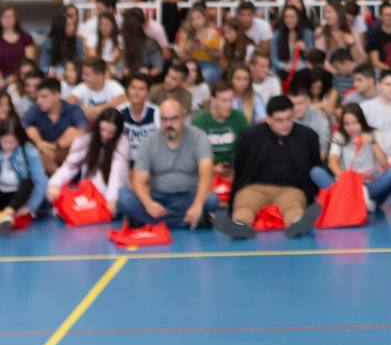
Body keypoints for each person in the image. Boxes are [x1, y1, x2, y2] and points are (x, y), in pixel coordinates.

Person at [211, 95, 324, 239]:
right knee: (244, 205)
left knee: (294, 206)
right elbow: (240, 169)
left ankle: (296, 225)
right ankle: (240, 226)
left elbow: (314, 167)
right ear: (268, 119)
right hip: (255, 187)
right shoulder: (250, 136)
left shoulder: (308, 137)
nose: (285, 124)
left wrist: (312, 197)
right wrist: (233, 198)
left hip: (291, 189)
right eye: (279, 120)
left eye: (289, 119)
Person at [122, 97, 214, 229]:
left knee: (211, 200)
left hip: (189, 197)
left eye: (174, 119)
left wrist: (198, 205)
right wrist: (148, 204)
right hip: (158, 199)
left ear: (183, 118)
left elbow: (206, 173)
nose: (168, 124)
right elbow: (138, 180)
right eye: (164, 119)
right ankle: (185, 221)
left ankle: (154, 222)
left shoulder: (199, 137)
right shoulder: (149, 141)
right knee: (124, 198)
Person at [47, 109, 132, 209]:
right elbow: (70, 166)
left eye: (111, 132)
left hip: (114, 191)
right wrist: (54, 184)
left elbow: (117, 174)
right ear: (97, 127)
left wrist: (111, 199)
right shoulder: (84, 140)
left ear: (118, 132)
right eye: (102, 129)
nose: (105, 135)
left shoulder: (122, 143)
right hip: (89, 191)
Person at [23, 78, 87, 173]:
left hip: (66, 152)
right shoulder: (35, 109)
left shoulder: (73, 109)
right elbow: (24, 126)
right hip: (44, 152)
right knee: (31, 131)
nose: (39, 101)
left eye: (44, 97)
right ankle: (60, 181)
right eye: (38, 97)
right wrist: (39, 142)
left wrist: (55, 146)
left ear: (57, 96)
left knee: (73, 132)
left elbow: (83, 131)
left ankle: (58, 179)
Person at [191, 84, 250, 186]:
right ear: (213, 100)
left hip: (233, 168)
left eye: (230, 101)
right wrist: (212, 169)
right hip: (207, 170)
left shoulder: (239, 118)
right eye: (223, 101)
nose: (228, 105)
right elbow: (191, 155)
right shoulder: (199, 121)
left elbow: (247, 149)